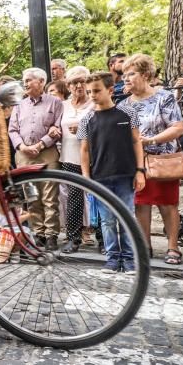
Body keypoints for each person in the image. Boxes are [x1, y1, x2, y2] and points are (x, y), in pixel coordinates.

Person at [78, 72, 146, 272]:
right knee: (107, 220)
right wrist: (86, 178)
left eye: (97, 90)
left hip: (125, 174)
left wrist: (140, 170)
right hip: (100, 177)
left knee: (127, 217)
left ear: (109, 90)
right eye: (89, 91)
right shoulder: (87, 119)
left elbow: (136, 141)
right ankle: (112, 257)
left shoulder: (127, 113)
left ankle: (129, 258)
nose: (92, 95)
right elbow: (84, 150)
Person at [122, 53, 183, 265]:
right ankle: (144, 246)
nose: (126, 79)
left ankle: (173, 247)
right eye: (124, 75)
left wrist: (150, 141)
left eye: (131, 74)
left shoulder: (164, 97)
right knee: (141, 204)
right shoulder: (124, 105)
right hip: (137, 163)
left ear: (146, 74)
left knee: (168, 204)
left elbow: (177, 127)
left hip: (163, 159)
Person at [9, 67, 64, 251]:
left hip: (47, 153)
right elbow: (13, 130)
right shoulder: (18, 105)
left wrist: (40, 144)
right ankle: (38, 233)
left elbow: (57, 128)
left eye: (29, 79)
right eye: (24, 79)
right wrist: (23, 147)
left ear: (41, 82)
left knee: (50, 197)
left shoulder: (55, 103)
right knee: (32, 196)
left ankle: (51, 235)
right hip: (24, 156)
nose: (25, 83)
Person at [58, 66, 95, 253]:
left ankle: (104, 239)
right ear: (68, 85)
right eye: (74, 82)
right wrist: (53, 130)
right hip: (69, 156)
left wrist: (83, 128)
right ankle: (73, 237)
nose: (78, 85)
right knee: (73, 197)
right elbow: (56, 126)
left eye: (82, 81)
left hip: (93, 156)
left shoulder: (94, 103)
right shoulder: (62, 105)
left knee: (98, 197)